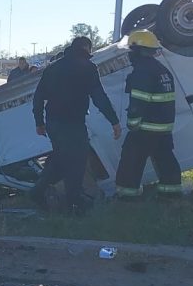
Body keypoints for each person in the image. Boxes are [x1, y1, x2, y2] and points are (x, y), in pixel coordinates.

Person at [30, 36, 122, 214]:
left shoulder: (53, 68)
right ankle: (74, 203)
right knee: (77, 162)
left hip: (53, 122)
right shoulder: (88, 68)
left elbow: (38, 96)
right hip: (72, 123)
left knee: (60, 159)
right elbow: (99, 97)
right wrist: (114, 121)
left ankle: (38, 191)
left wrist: (39, 122)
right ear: (87, 48)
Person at [115, 30, 182, 198]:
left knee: (131, 161)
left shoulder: (142, 72)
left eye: (131, 50)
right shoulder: (162, 70)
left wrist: (133, 123)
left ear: (138, 51)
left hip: (146, 127)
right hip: (164, 128)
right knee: (165, 160)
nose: (129, 54)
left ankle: (127, 197)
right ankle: (171, 194)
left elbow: (138, 103)